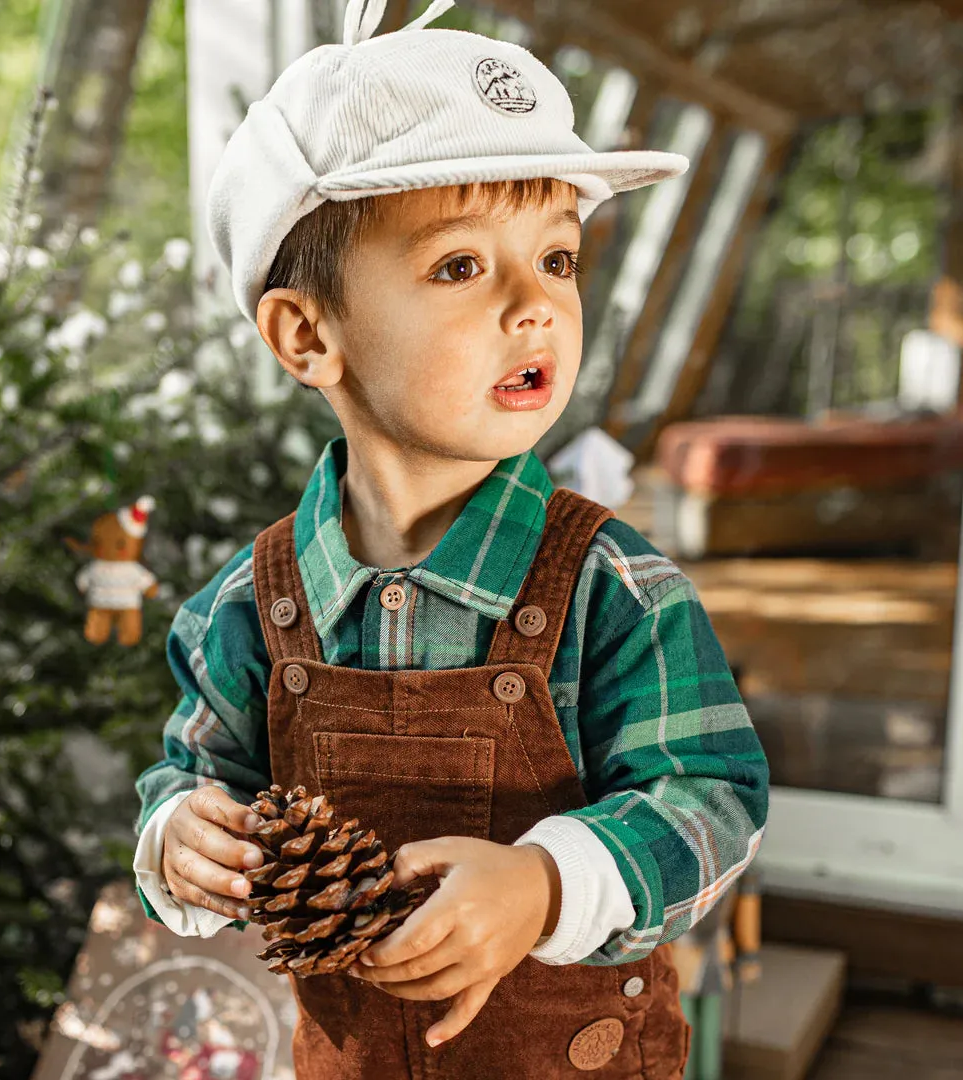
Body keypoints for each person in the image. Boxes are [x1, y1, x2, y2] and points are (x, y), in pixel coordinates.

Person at [133, 2, 769, 1076]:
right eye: (462, 267)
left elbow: (712, 801)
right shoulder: (245, 608)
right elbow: (192, 778)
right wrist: (180, 840)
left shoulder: (620, 591)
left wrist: (547, 884)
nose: (536, 307)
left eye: (558, 260)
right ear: (307, 334)